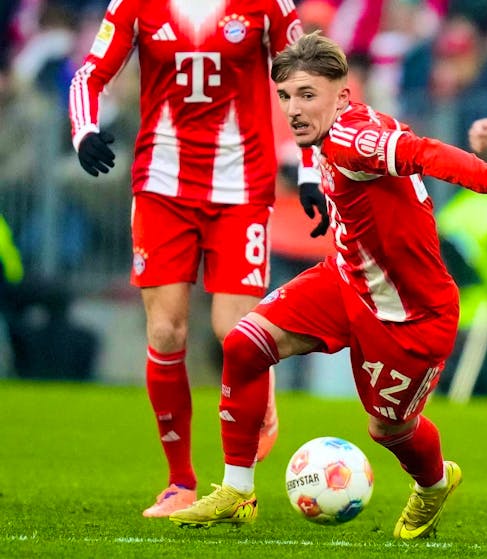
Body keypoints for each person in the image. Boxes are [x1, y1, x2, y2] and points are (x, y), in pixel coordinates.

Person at [168, 32, 487, 539]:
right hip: (346, 280)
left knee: (388, 429)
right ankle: (237, 491)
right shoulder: (334, 130)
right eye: (285, 96)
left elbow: (425, 152)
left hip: (410, 314)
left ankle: (434, 484)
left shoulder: (353, 138)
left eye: (307, 94)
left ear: (342, 95)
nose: (293, 109)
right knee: (243, 344)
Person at [68, 0, 307, 517]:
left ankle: (238, 479)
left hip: (242, 185)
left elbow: (305, 73)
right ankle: (180, 483)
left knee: (235, 333)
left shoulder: (268, 4)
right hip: (161, 186)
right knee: (166, 332)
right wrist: (83, 130)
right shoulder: (134, 4)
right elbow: (90, 73)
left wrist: (308, 163)